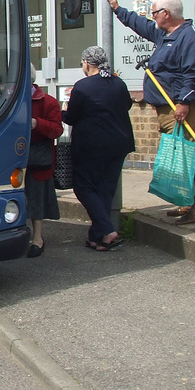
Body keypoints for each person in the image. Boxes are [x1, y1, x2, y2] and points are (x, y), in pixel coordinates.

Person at [109, 0, 195, 225]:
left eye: (155, 12)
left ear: (166, 14)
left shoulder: (187, 37)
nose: (152, 16)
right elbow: (143, 26)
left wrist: (184, 102)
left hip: (180, 108)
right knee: (178, 157)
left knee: (188, 157)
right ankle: (187, 202)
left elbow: (193, 73)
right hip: (167, 108)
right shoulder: (165, 34)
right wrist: (119, 11)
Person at [62, 46, 135, 251]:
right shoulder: (118, 83)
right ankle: (98, 238)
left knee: (84, 187)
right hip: (119, 144)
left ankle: (107, 229)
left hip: (92, 145)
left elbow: (72, 117)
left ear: (86, 63)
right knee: (105, 189)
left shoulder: (82, 87)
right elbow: (127, 105)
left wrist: (63, 111)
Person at [25, 64, 62, 257]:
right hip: (14, 156)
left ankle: (37, 238)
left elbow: (57, 129)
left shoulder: (48, 101)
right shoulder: (7, 99)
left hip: (37, 157)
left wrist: (37, 123)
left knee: (36, 197)